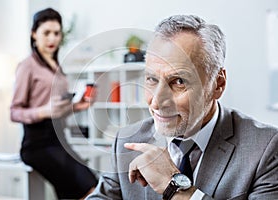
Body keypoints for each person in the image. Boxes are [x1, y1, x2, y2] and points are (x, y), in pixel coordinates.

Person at [86, 15, 278, 199]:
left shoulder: (264, 149)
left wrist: (175, 188)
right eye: (152, 79)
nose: (156, 102)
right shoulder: (127, 141)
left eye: (178, 81)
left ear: (218, 84)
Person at [10, 8, 98, 199]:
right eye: (46, 33)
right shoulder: (27, 66)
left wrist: (76, 106)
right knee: (90, 188)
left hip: (59, 140)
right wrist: (43, 111)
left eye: (56, 33)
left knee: (82, 190)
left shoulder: (55, 65)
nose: (52, 38)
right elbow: (14, 112)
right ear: (34, 34)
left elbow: (56, 109)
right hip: (37, 145)